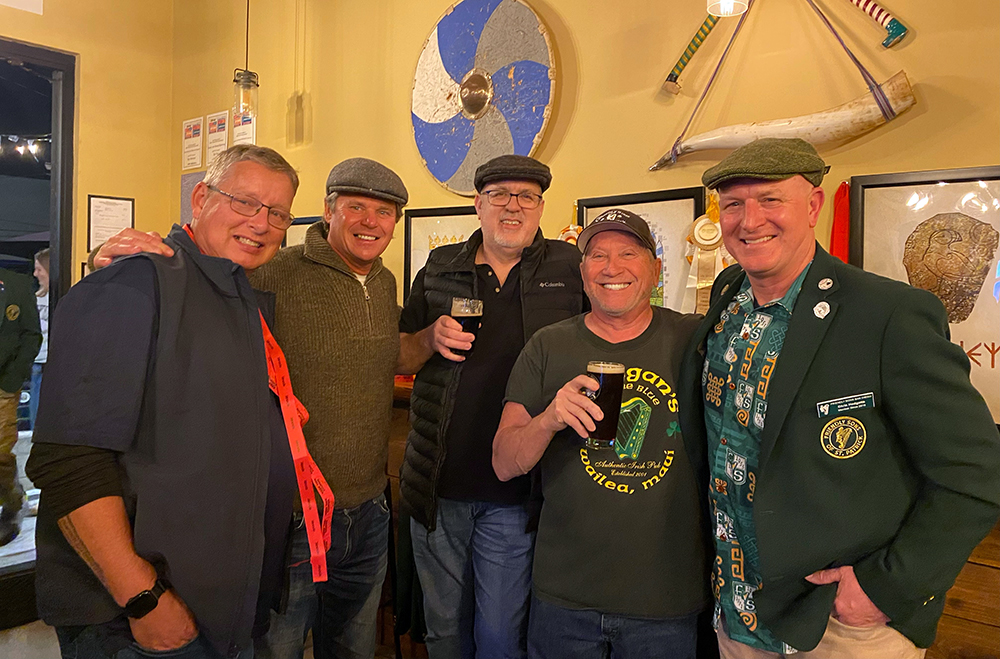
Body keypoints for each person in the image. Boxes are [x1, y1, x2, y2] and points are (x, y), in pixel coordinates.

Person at [676, 138, 1000, 658]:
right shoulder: (728, 295)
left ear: (813, 205)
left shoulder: (889, 315)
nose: (750, 220)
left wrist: (886, 588)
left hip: (838, 625)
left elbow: (976, 472)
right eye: (733, 204)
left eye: (770, 199)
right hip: (736, 611)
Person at [92, 157, 408, 659]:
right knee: (276, 646)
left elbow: (391, 352)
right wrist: (113, 260)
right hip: (291, 516)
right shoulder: (271, 269)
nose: (370, 221)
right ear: (328, 211)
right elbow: (199, 272)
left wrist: (430, 339)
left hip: (369, 511)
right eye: (356, 207)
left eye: (384, 211)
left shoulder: (385, 283)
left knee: (354, 645)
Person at [26, 145, 307, 659]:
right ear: (200, 198)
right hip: (143, 618)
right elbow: (69, 462)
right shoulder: (134, 282)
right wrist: (143, 599)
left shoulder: (237, 293)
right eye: (245, 202)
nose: (261, 223)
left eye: (278, 213)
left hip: (220, 609)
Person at [493, 209, 710, 659]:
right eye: (598, 256)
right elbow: (503, 462)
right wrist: (548, 419)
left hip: (665, 598)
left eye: (628, 253)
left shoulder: (693, 340)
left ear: (655, 269)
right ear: (583, 272)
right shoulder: (548, 345)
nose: (612, 268)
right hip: (564, 597)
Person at [397, 154, 586, 658]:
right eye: (499, 195)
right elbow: (401, 354)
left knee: (500, 637)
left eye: (526, 196)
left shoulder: (569, 268)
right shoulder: (440, 268)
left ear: (541, 207)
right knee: (443, 633)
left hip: (519, 489)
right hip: (439, 487)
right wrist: (429, 338)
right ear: (478, 205)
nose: (512, 206)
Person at [0, 263, 42, 547]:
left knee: (0, 451)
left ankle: (13, 504)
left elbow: (31, 335)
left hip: (3, 384)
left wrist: (12, 379)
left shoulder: (16, 284)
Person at [30, 247, 49, 429]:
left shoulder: (64, 296)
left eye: (39, 269)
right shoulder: (35, 298)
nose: (35, 274)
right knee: (36, 417)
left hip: (55, 363)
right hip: (38, 363)